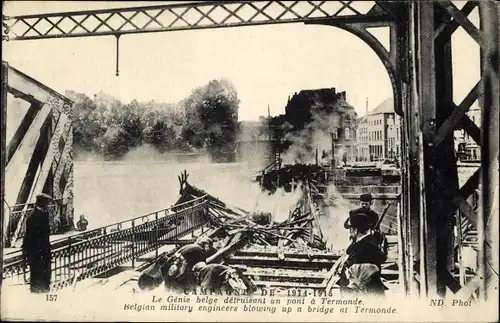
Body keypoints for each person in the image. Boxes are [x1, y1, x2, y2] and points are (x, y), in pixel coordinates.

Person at [338, 212, 386, 296]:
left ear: (356, 231)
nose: (350, 233)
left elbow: (356, 280)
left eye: (351, 230)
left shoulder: (365, 247)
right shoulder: (367, 243)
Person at [22, 193, 53, 293]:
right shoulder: (33, 217)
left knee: (44, 277)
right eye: (47, 204)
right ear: (42, 204)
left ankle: (44, 294)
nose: (48, 206)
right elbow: (29, 238)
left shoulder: (43, 215)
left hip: (43, 253)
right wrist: (27, 254)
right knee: (37, 277)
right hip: (36, 254)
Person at [192, 262, 256, 293]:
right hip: (233, 277)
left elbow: (206, 285)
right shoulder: (213, 267)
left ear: (197, 271)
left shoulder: (206, 269)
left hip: (230, 278)